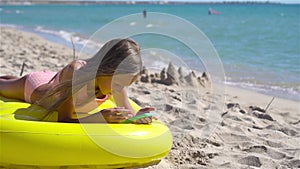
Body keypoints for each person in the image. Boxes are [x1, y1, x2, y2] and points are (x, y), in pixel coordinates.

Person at [0, 38, 154, 124]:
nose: (119, 89)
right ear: (106, 68)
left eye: (124, 85)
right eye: (118, 84)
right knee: (4, 85)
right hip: (34, 88)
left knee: (10, 78)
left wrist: (138, 116)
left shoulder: (115, 83)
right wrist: (99, 118)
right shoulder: (77, 74)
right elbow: (64, 119)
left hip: (55, 82)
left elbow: (129, 114)